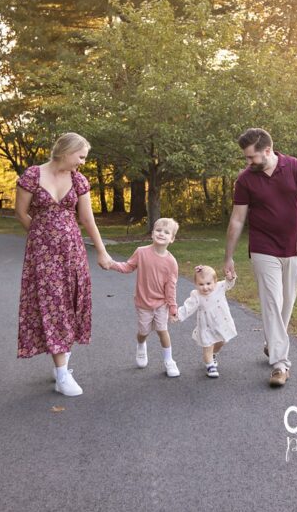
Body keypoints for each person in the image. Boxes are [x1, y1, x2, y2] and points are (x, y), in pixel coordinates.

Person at [15, 132, 113, 397]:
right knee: (52, 305)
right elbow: (21, 213)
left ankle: (62, 365)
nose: (82, 162)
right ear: (67, 151)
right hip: (43, 257)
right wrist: (39, 236)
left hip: (73, 252)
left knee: (70, 303)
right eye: (80, 156)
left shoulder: (78, 180)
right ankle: (61, 374)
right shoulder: (32, 176)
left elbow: (87, 220)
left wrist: (102, 253)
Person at [223, 128, 297, 388]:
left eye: (251, 157)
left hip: (293, 247)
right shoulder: (245, 180)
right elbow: (237, 219)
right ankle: (280, 364)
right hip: (263, 248)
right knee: (272, 303)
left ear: (267, 150)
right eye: (245, 158)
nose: (247, 163)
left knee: (287, 302)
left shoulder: (294, 167)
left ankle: (272, 343)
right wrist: (229, 256)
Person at [107, 217, 182, 377]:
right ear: (152, 233)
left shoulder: (171, 262)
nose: (161, 234)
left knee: (163, 331)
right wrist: (112, 263)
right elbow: (128, 267)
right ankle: (141, 345)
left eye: (166, 232)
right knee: (143, 332)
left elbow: (171, 287)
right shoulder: (141, 252)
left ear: (172, 239)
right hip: (143, 303)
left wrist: (173, 307)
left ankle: (169, 360)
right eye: (158, 230)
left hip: (161, 304)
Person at [172, 264, 238, 379]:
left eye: (208, 284)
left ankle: (213, 355)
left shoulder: (219, 287)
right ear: (196, 284)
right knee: (208, 345)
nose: (205, 287)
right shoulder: (196, 295)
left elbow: (229, 284)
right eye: (201, 284)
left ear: (215, 282)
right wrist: (177, 315)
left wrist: (230, 278)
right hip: (206, 326)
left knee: (222, 341)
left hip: (221, 323)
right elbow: (188, 307)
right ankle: (210, 365)